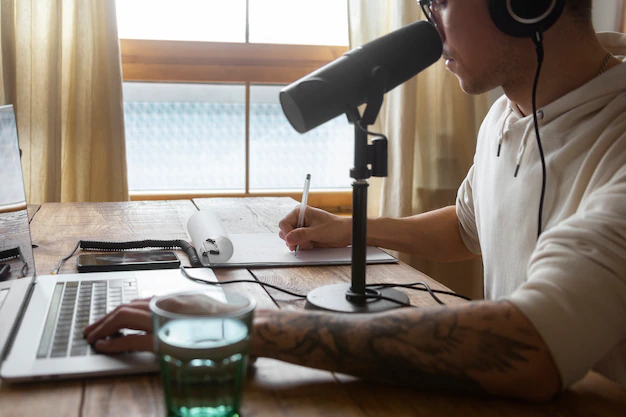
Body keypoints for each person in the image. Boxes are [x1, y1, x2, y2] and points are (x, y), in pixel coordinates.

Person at [84, 0, 626, 402]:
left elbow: (530, 346)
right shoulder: (509, 111)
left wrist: (236, 325)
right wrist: (353, 228)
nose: (429, 19)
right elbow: (468, 226)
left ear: (526, 6)